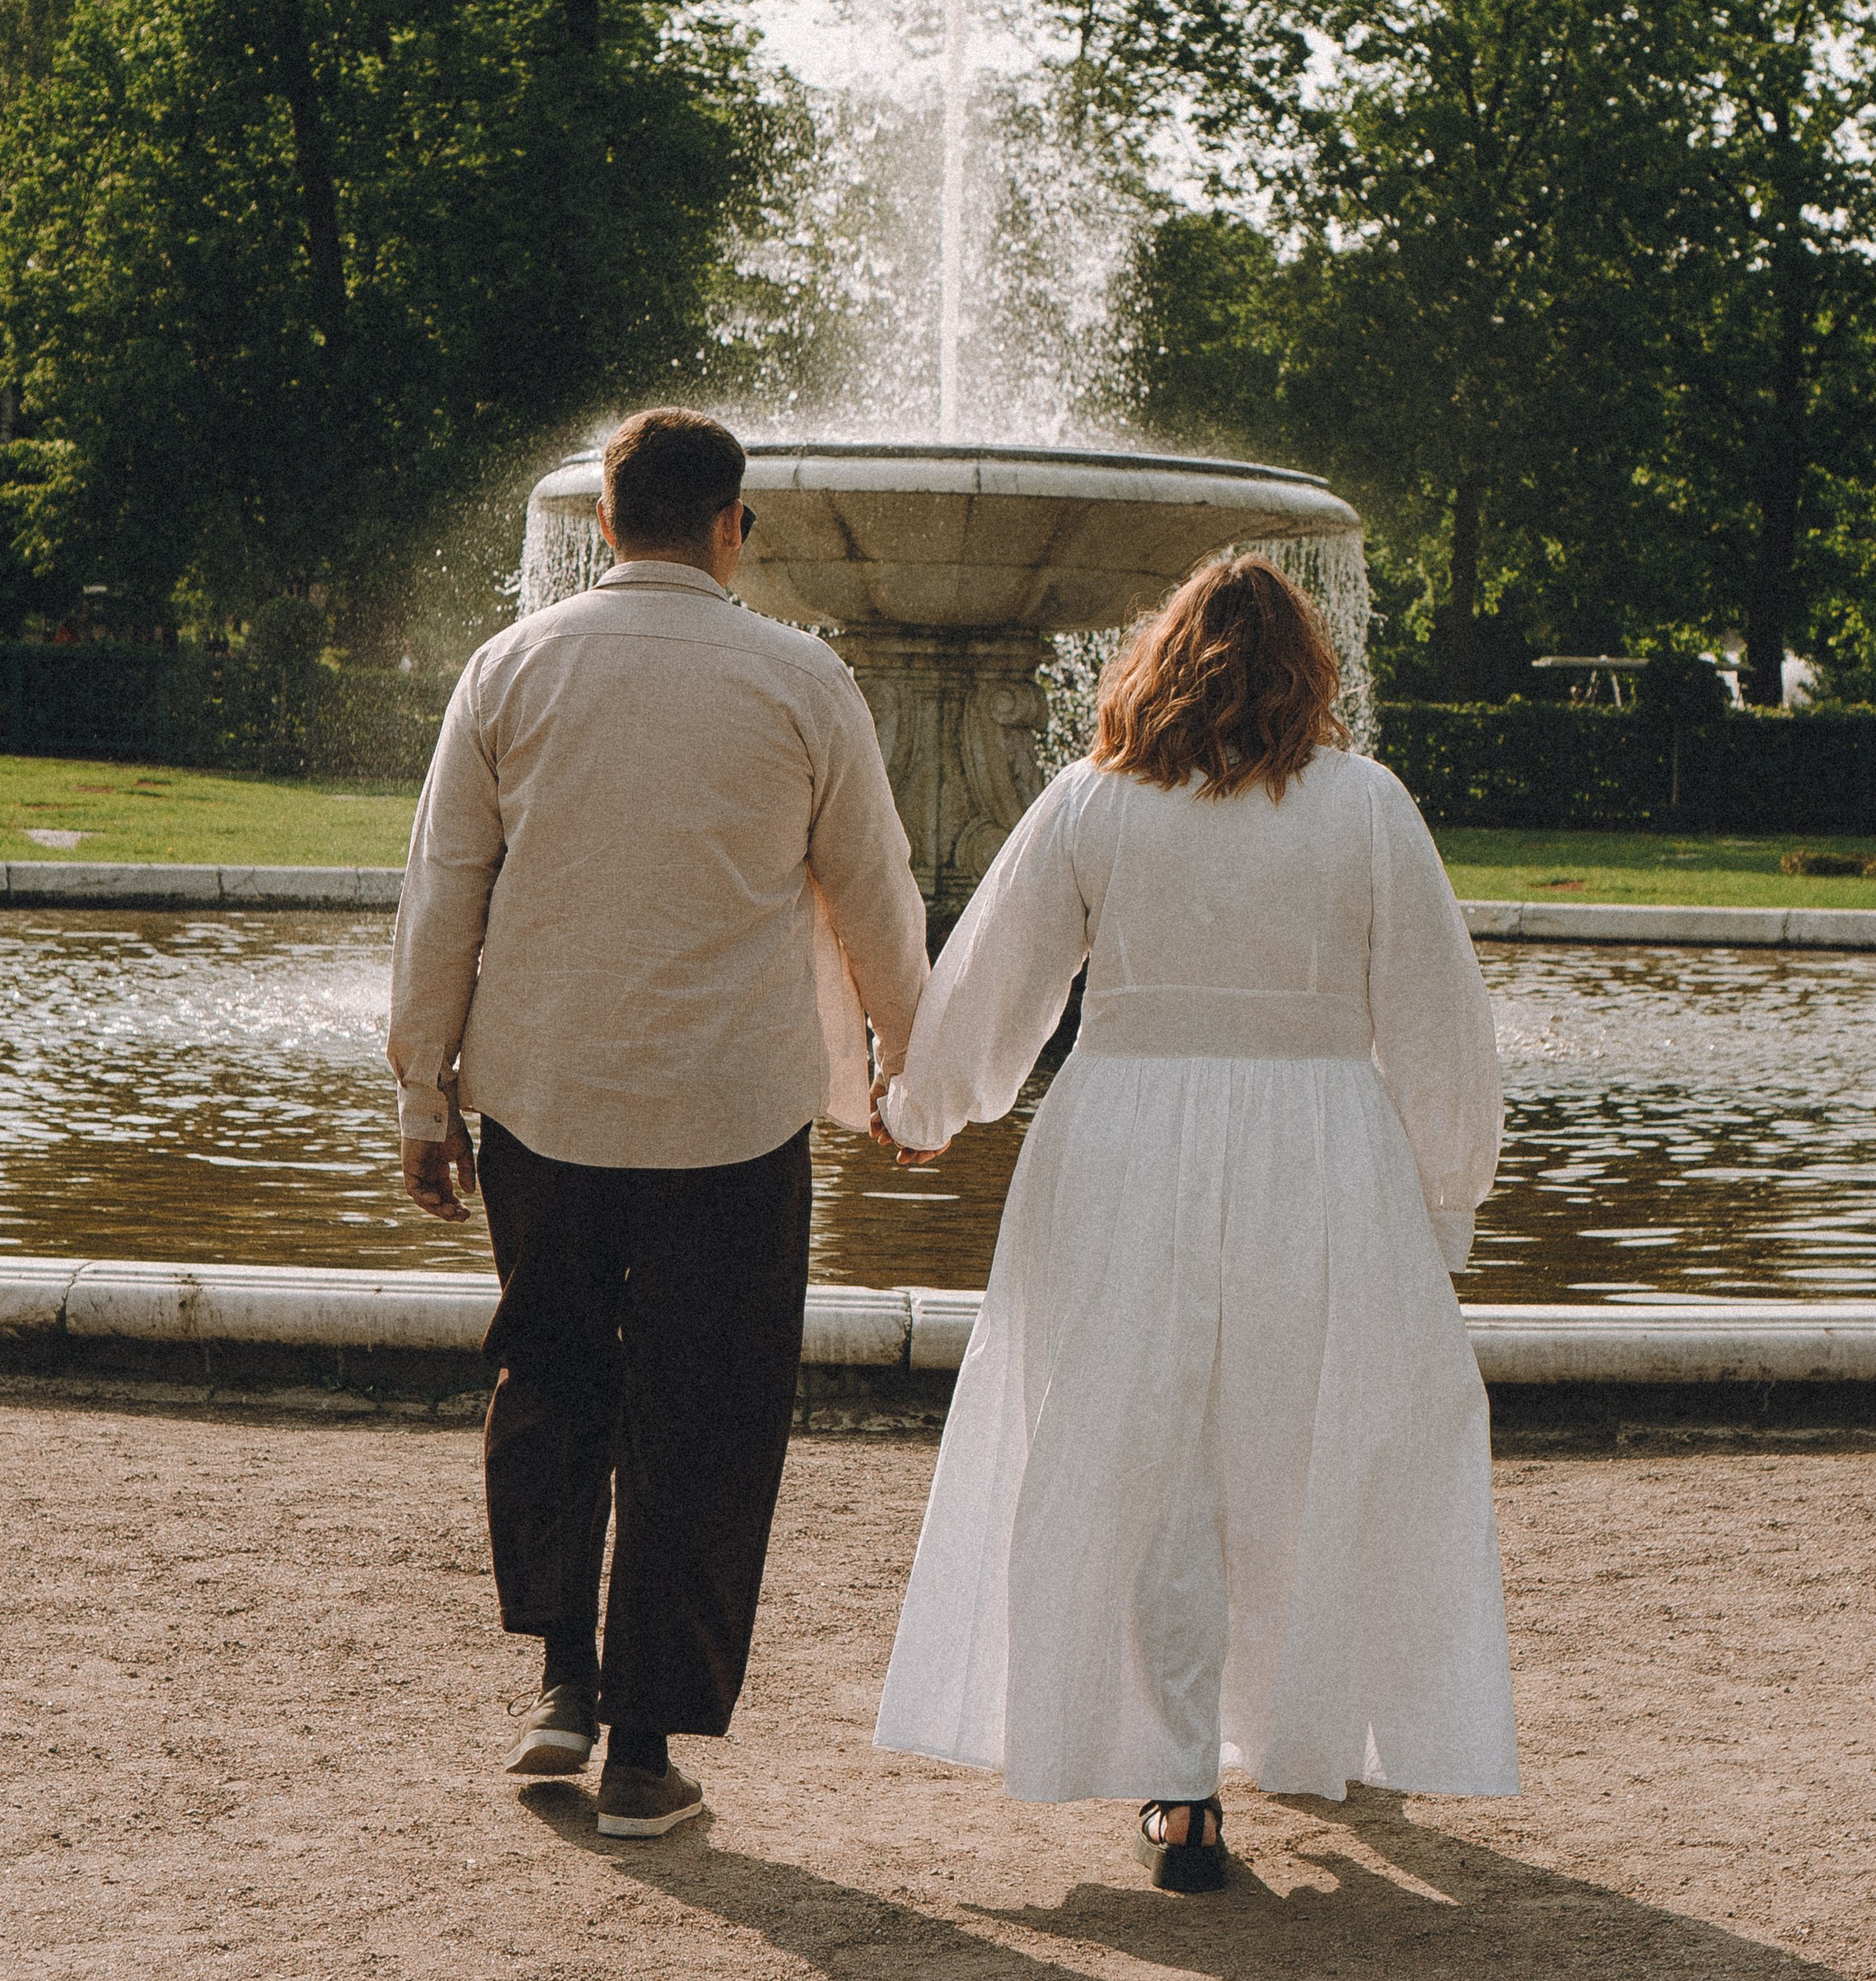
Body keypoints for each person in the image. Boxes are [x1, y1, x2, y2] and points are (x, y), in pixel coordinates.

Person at [870, 553, 1518, 1888]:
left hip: (1125, 1146)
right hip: (1323, 1147)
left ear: (1157, 665)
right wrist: (1448, 1192)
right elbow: (1443, 1021)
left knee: (1144, 1448)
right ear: (1310, 673)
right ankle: (1303, 1731)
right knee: (1307, 1437)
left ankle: (1178, 1786)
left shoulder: (1092, 804)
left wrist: (927, 1106)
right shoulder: (1367, 806)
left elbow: (999, 983)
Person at [389, 410, 927, 1840]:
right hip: (731, 1113)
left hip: (546, 1100)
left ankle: (563, 1680)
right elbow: (875, 896)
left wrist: (419, 1087)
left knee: (554, 1369)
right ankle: (643, 1750)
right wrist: (910, 1073)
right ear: (730, 525)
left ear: (609, 522)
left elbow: (445, 891)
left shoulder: (510, 669)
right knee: (709, 1413)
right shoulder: (804, 681)